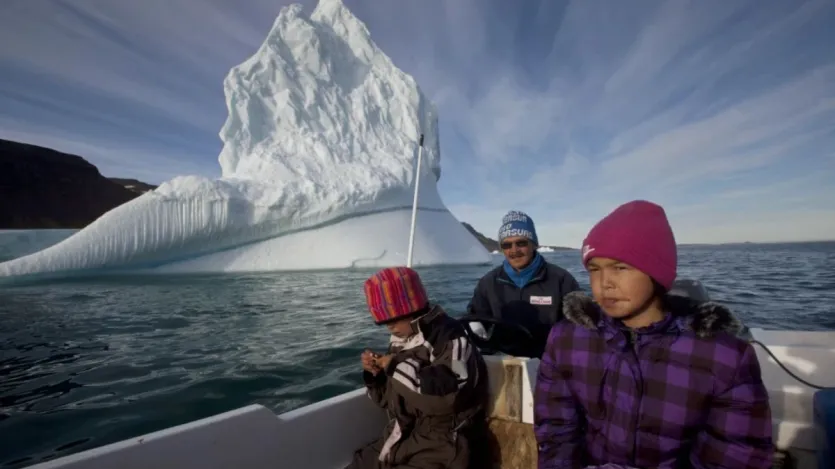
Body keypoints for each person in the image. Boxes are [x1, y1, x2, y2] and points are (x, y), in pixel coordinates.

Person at [534, 200, 774, 469]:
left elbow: (734, 458)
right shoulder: (566, 340)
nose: (605, 283)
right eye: (595, 269)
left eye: (620, 267)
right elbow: (556, 434)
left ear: (656, 272)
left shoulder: (724, 358)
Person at [345, 266, 489, 469]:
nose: (389, 327)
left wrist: (396, 366)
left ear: (411, 309)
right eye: (383, 322)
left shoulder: (453, 339)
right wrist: (376, 377)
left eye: (393, 319)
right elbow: (390, 402)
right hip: (402, 434)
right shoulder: (400, 341)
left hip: (444, 444)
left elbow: (452, 394)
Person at [466, 210, 581, 357]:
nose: (514, 250)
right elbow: (475, 316)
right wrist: (474, 325)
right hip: (504, 362)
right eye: (507, 245)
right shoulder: (488, 283)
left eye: (521, 243)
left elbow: (581, 326)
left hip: (549, 364)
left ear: (534, 245)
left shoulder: (561, 280)